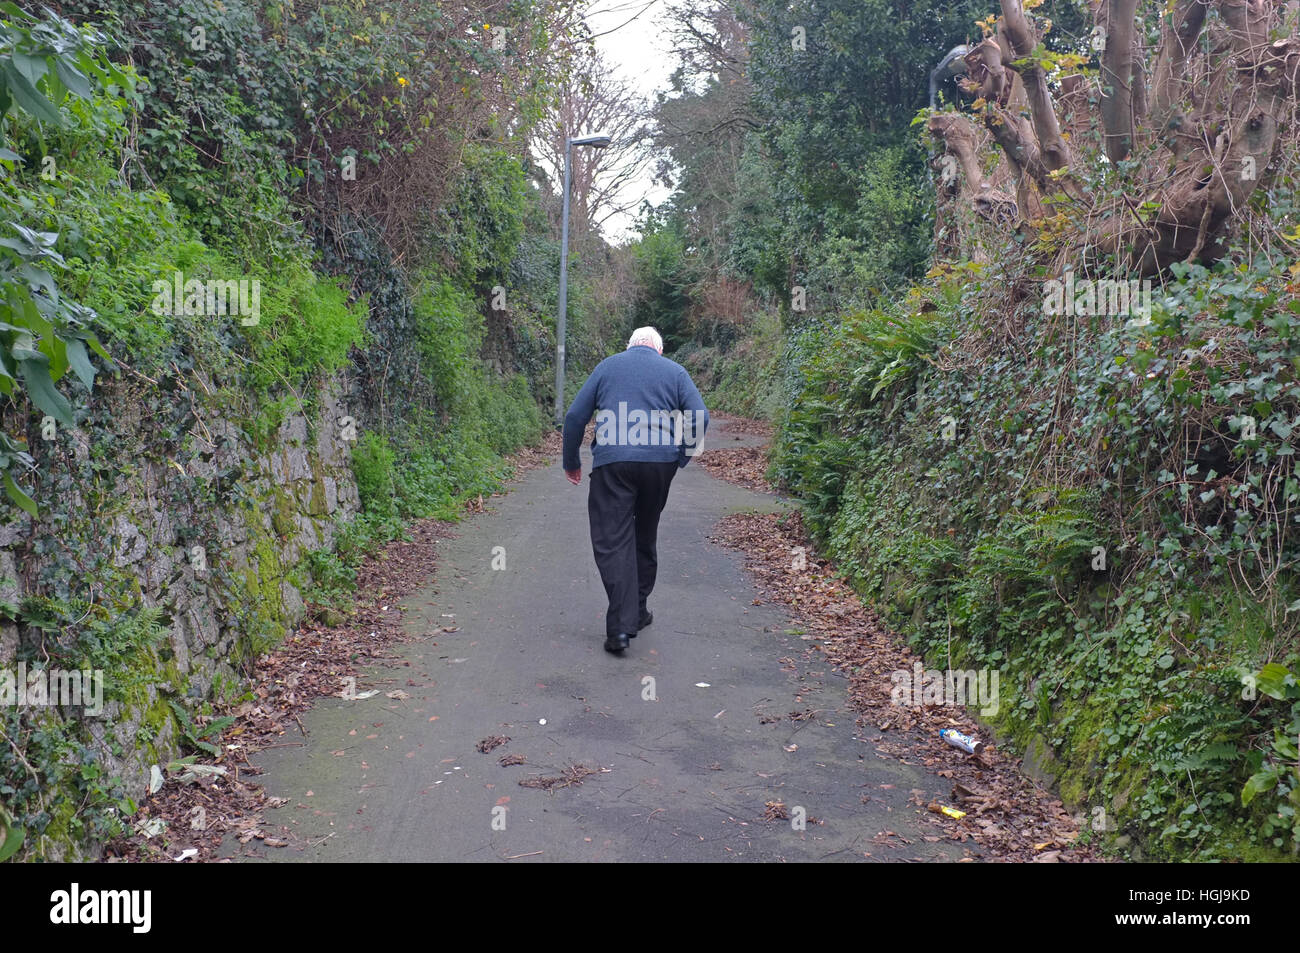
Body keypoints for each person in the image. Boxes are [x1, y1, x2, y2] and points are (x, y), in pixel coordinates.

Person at [562, 327, 709, 653]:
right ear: (658, 349)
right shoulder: (675, 371)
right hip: (659, 463)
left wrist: (571, 461)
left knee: (613, 540)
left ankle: (620, 628)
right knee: (644, 533)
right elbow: (700, 415)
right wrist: (682, 455)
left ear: (629, 346)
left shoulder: (607, 367)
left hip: (613, 463)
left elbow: (574, 417)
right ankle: (638, 611)